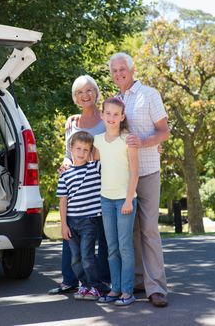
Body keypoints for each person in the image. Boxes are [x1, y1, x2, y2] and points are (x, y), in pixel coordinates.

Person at [109, 52, 170, 307]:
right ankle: (135, 282)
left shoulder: (150, 95)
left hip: (147, 172)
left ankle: (156, 287)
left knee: (148, 229)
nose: (118, 74)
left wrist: (145, 142)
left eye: (122, 69)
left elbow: (164, 132)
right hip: (123, 177)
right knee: (130, 232)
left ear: (132, 70)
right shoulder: (115, 101)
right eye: (114, 71)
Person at [48, 75, 110, 295]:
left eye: (89, 91)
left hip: (101, 182)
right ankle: (70, 280)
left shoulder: (106, 118)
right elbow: (68, 154)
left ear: (96, 92)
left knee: (101, 235)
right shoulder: (72, 123)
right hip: (76, 184)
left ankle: (101, 281)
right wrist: (65, 165)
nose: (85, 96)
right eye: (80, 93)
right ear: (75, 97)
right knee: (70, 232)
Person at [94, 97, 138, 306]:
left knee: (124, 247)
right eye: (108, 113)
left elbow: (135, 173)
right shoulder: (98, 141)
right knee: (111, 247)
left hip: (125, 201)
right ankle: (115, 289)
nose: (111, 118)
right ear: (102, 115)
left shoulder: (128, 139)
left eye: (115, 114)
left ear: (122, 117)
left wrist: (129, 200)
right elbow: (85, 160)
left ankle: (128, 292)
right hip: (106, 200)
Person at [57, 131, 103, 300]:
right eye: (78, 148)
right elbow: (63, 201)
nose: (81, 153)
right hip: (71, 222)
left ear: (90, 151)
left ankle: (96, 287)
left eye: (86, 149)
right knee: (75, 259)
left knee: (87, 256)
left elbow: (100, 151)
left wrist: (94, 145)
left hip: (89, 221)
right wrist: (63, 225)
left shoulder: (95, 167)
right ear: (71, 149)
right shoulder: (65, 174)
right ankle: (85, 285)